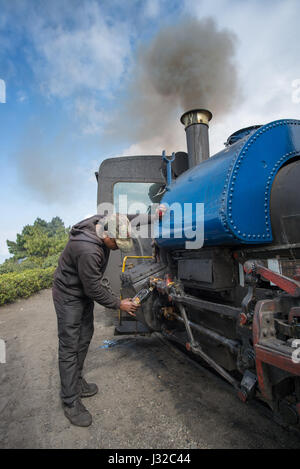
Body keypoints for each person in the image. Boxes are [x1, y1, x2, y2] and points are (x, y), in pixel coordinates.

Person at [52, 213, 138, 427]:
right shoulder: (87, 249)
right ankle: (70, 401)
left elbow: (127, 216)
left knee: (84, 337)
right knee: (70, 346)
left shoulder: (106, 220)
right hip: (69, 295)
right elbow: (94, 289)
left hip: (82, 291)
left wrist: (156, 214)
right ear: (106, 233)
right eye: (116, 243)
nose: (118, 248)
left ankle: (77, 380)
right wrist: (120, 304)